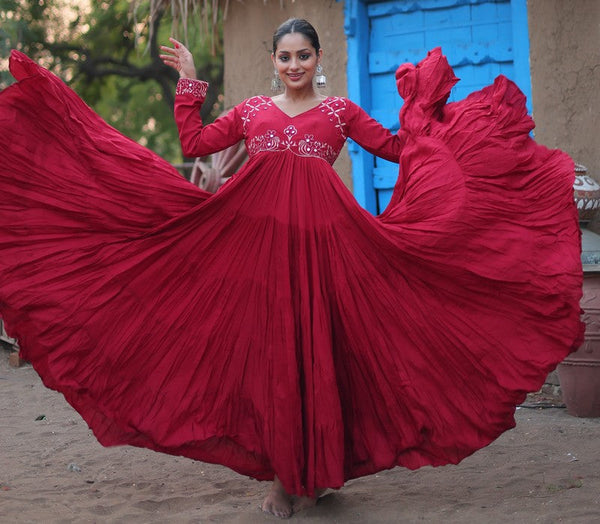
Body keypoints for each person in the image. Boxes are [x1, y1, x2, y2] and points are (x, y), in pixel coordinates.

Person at [0, 18, 584, 521]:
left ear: (318, 59)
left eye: (304, 55)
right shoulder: (253, 111)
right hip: (260, 251)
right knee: (274, 353)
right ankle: (284, 475)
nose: (294, 64)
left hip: (331, 248)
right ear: (273, 61)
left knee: (326, 350)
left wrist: (428, 120)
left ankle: (322, 468)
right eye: (285, 57)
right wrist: (189, 82)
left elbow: (397, 150)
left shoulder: (340, 111)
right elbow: (196, 142)